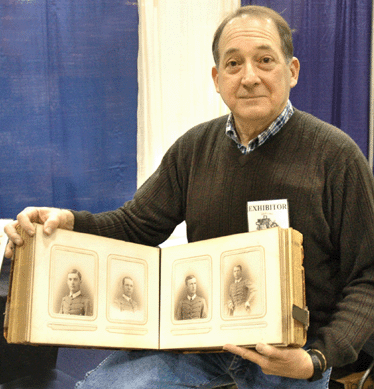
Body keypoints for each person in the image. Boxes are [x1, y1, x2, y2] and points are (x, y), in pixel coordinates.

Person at [4, 5, 374, 388]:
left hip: (291, 354)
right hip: (200, 346)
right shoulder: (194, 149)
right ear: (217, 78)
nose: (249, 77)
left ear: (292, 70)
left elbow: (368, 275)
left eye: (265, 60)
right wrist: (69, 222)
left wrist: (316, 358)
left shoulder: (336, 157)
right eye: (233, 64)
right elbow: (135, 225)